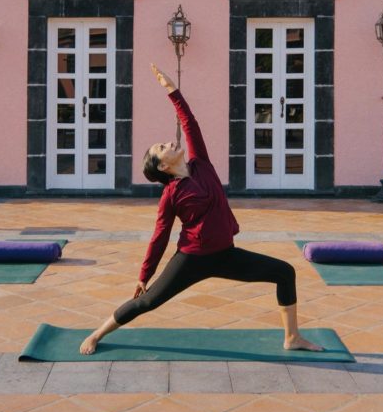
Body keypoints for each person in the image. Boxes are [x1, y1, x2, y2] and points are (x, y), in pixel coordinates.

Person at [79, 63, 322, 355]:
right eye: (162, 147)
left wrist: (171, 90)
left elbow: (189, 122)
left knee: (284, 272)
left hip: (226, 254)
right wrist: (144, 274)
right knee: (147, 301)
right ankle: (97, 333)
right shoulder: (170, 195)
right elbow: (160, 235)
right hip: (191, 260)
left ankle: (292, 337)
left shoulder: (200, 163)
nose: (169, 142)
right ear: (163, 166)